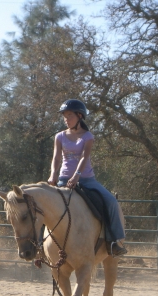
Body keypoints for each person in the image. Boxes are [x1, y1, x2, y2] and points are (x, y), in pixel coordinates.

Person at [47, 99, 127, 257]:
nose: (66, 119)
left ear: (79, 116)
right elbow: (56, 158)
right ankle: (41, 248)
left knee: (111, 201)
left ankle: (114, 241)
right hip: (64, 179)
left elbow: (84, 157)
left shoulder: (87, 136)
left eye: (69, 115)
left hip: (86, 180)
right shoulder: (60, 136)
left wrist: (76, 176)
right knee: (45, 205)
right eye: (64, 116)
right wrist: (53, 175)